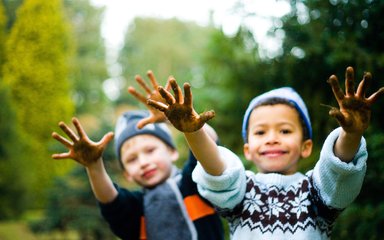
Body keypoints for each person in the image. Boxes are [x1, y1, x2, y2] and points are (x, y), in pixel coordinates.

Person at [147, 66, 384, 239]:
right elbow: (218, 171)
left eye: (284, 130)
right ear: (247, 150)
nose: (272, 139)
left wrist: (351, 134)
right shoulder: (242, 192)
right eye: (260, 132)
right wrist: (193, 132)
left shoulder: (316, 193)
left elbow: (339, 173)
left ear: (306, 147)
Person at [51, 71, 224, 240]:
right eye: (131, 160)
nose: (143, 162)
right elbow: (111, 203)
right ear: (126, 173)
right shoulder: (136, 208)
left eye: (150, 151)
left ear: (172, 152)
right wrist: (94, 166)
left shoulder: (193, 182)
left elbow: (210, 150)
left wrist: (187, 126)